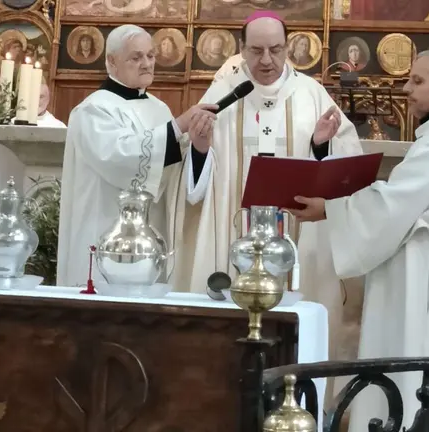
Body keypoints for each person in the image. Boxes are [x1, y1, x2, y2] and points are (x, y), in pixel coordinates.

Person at [292, 50, 429, 431]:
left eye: (418, 81)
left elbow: (393, 204)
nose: (407, 89)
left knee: (419, 377)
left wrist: (329, 209)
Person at [166, 9, 362, 375]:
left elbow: (345, 169)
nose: (267, 60)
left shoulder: (312, 95)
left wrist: (320, 147)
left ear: (288, 48)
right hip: (232, 237)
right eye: (256, 51)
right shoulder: (223, 94)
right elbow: (193, 186)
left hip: (300, 241)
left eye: (276, 49)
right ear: (241, 49)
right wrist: (201, 147)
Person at [57, 25, 217, 286]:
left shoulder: (159, 108)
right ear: (111, 61)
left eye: (151, 56)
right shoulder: (93, 109)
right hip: (103, 231)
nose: (146, 64)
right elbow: (118, 159)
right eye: (136, 57)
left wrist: (198, 148)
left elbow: (171, 177)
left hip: (150, 241)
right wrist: (178, 127)